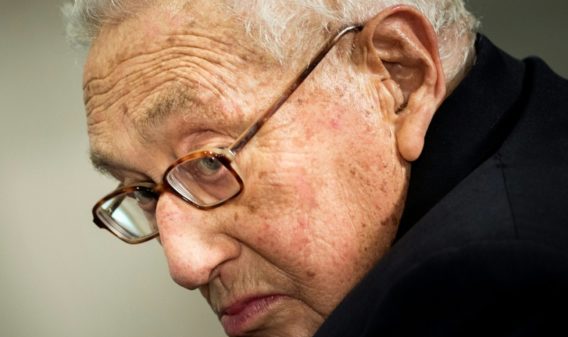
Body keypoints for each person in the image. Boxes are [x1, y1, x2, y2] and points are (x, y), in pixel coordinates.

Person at [64, 0, 568, 336]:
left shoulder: (490, 291)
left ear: (399, 77)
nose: (186, 266)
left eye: (211, 162)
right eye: (144, 194)